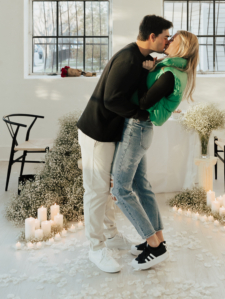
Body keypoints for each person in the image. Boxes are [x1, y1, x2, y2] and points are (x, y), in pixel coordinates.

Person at [77, 15, 173, 273]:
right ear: (152, 36)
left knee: (109, 187)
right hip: (97, 132)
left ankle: (110, 235)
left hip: (112, 132)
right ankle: (96, 248)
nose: (168, 41)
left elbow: (135, 90)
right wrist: (140, 115)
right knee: (96, 191)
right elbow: (111, 100)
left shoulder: (139, 59)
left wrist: (151, 68)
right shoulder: (128, 59)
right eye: (165, 36)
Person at [110, 30, 199, 270]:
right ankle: (158, 238)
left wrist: (144, 73)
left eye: (173, 40)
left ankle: (154, 247)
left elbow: (144, 103)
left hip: (136, 130)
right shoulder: (172, 69)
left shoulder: (169, 74)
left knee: (119, 188)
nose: (168, 41)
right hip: (140, 130)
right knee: (141, 186)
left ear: (182, 48)